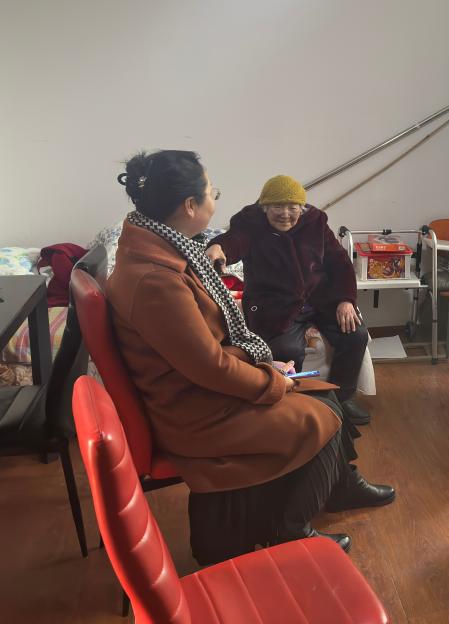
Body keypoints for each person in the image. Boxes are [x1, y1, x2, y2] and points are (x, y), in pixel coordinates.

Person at [105, 150, 394, 565]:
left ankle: (340, 487)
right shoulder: (156, 278)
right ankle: (290, 531)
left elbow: (200, 351)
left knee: (327, 393)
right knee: (323, 415)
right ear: (190, 206)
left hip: (197, 388)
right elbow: (208, 365)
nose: (214, 199)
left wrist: (260, 364)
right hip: (196, 411)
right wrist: (271, 378)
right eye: (212, 192)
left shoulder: (160, 250)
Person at [205, 175, 372, 425]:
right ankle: (295, 405)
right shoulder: (250, 223)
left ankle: (342, 398)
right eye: (277, 206)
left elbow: (340, 262)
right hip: (275, 303)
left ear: (302, 208)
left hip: (320, 298)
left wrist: (346, 299)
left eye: (292, 207)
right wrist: (219, 247)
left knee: (356, 335)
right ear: (264, 207)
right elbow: (235, 240)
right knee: (286, 350)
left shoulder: (316, 222)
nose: (285, 214)